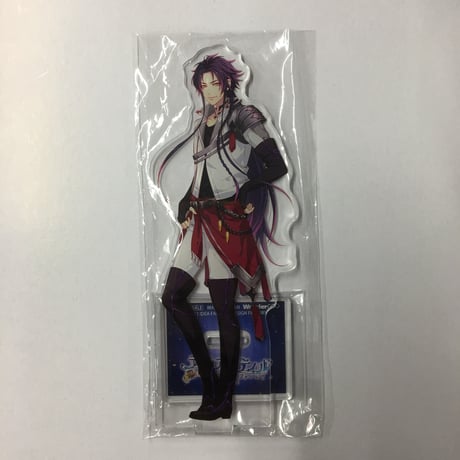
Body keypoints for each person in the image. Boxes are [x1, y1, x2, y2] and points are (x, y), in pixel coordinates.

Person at [158, 53, 287, 421]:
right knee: (171, 296)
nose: (210, 90)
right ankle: (210, 384)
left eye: (215, 83)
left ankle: (223, 398)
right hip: (199, 219)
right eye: (204, 85)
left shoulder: (244, 116)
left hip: (227, 223)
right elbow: (202, 172)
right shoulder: (204, 121)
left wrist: (249, 190)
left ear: (227, 81)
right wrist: (185, 202)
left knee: (223, 309)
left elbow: (275, 164)